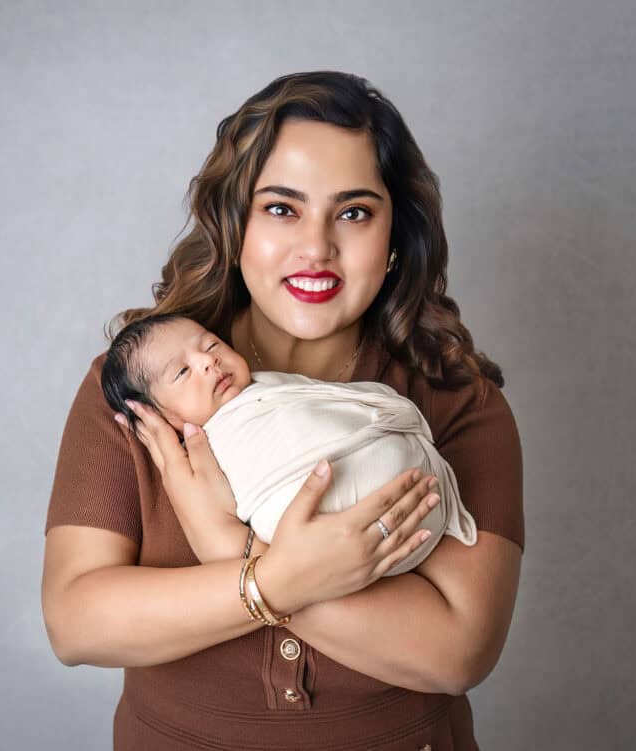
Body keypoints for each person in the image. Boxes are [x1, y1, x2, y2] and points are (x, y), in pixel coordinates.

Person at [42, 71, 523, 750]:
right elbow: (74, 619)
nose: (316, 247)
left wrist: (227, 547)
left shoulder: (457, 401)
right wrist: (272, 579)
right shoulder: (142, 389)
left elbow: (458, 650)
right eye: (281, 208)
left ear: (394, 238)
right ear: (235, 225)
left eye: (354, 211)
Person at [98, 313, 478, 577]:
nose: (207, 361)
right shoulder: (204, 450)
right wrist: (241, 552)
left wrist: (231, 547)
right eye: (182, 372)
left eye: (211, 345)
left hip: (415, 493)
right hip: (331, 518)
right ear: (160, 418)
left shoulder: (271, 386)